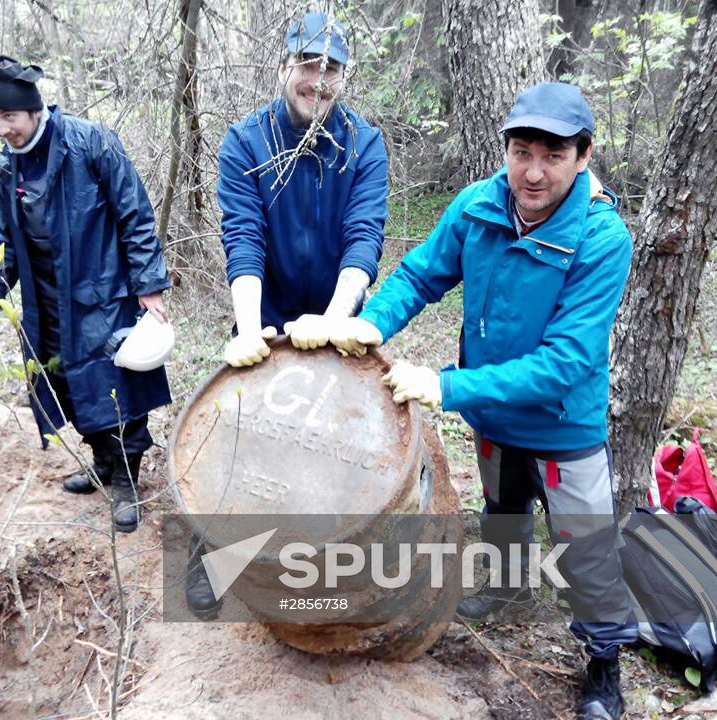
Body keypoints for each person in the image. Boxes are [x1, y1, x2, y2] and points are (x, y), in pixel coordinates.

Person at [331, 82, 638, 720]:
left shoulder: (601, 239)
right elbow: (421, 274)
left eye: (552, 156)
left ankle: (604, 664)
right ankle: (504, 590)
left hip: (562, 425)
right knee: (502, 504)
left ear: (582, 156)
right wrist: (375, 322)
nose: (532, 171)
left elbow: (566, 363)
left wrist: (447, 386)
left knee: (584, 545)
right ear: (504, 149)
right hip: (494, 416)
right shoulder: (478, 208)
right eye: (521, 151)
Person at [180, 12, 389, 619]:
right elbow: (243, 237)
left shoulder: (363, 144)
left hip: (336, 313)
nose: (318, 82)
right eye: (308, 67)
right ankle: (213, 554)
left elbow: (363, 237)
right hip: (265, 314)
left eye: (332, 72)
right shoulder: (246, 141)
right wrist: (249, 329)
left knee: (333, 442)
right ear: (284, 67)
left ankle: (319, 558)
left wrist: (333, 320)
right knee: (241, 435)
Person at [0, 55, 172, 534]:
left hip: (102, 293)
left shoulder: (91, 143)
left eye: (9, 117)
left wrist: (149, 286)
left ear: (34, 110)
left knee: (116, 389)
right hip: (46, 300)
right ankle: (102, 462)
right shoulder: (7, 166)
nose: (3, 129)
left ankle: (126, 483)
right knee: (68, 386)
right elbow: (3, 235)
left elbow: (136, 215)